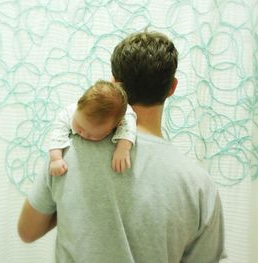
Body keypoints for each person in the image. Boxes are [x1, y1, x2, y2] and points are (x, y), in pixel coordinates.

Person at [18, 30, 226, 263]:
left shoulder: (67, 153)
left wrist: (69, 200)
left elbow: (27, 231)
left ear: (114, 83)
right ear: (172, 87)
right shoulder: (199, 185)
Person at [49, 79, 136, 176]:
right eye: (79, 126)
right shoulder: (69, 112)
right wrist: (56, 159)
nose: (84, 135)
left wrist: (123, 148)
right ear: (78, 105)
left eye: (92, 135)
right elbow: (56, 133)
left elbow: (129, 125)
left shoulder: (123, 117)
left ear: (115, 126)